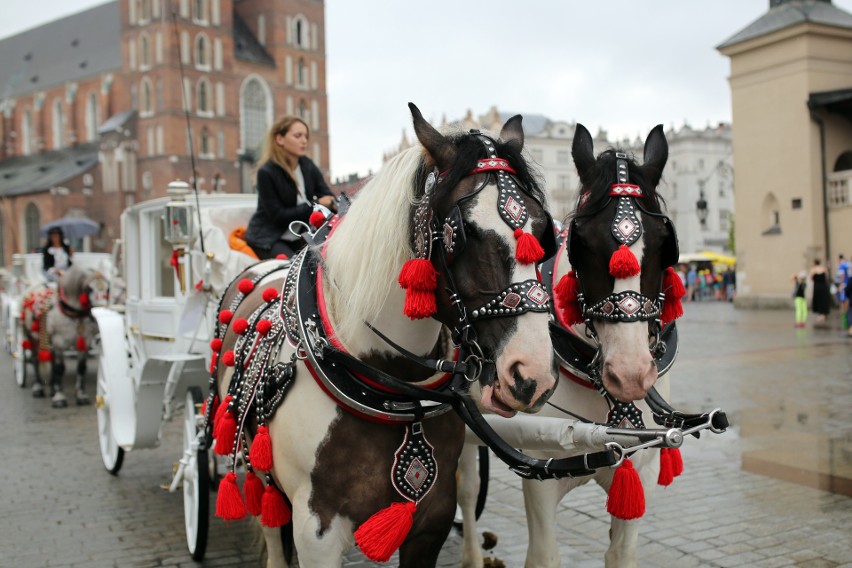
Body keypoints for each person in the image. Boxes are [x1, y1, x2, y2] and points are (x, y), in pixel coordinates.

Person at [245, 116, 336, 260]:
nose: (304, 141)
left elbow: (327, 195)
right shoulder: (267, 172)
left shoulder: (307, 165)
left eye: (306, 136)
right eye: (297, 136)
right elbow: (278, 216)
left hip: (300, 234)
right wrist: (316, 205)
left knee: (327, 260)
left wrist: (335, 205)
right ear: (280, 139)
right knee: (293, 269)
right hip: (270, 237)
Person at [835, 254, 851, 328]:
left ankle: (844, 318)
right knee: (848, 300)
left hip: (845, 284)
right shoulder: (849, 264)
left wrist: (840, 285)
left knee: (843, 301)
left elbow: (842, 275)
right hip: (850, 283)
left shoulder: (842, 265)